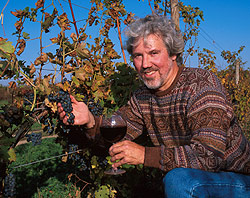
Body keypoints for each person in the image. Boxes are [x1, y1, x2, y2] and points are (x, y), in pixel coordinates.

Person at [58, 14, 250, 197]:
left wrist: (144, 155)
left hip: (238, 179)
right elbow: (114, 137)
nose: (145, 64)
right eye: (138, 56)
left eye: (153, 53)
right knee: (178, 179)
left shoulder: (201, 86)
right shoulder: (142, 97)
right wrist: (91, 122)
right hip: (195, 177)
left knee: (178, 180)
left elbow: (209, 157)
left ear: (173, 53)